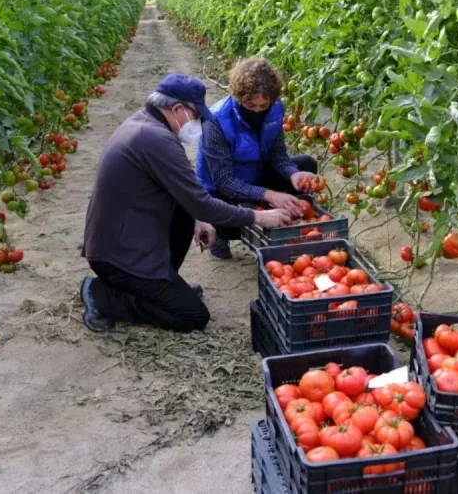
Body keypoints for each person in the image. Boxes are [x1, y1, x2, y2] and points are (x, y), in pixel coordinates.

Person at [80, 74, 290, 333]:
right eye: (196, 115)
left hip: (123, 239)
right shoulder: (156, 140)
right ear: (178, 109)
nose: (198, 123)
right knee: (192, 316)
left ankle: (161, 287)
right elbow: (203, 202)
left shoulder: (146, 125)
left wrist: (197, 218)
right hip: (117, 257)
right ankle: (101, 295)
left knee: (186, 214)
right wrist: (258, 217)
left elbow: (187, 196)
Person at [195, 57, 319, 259]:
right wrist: (270, 195)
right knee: (224, 218)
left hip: (254, 174)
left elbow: (278, 155)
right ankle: (223, 235)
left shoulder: (275, 110)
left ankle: (283, 222)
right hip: (220, 191)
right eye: (250, 105)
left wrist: (294, 174)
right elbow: (224, 181)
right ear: (238, 97)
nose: (257, 110)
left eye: (264, 105)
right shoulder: (216, 121)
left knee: (305, 164)